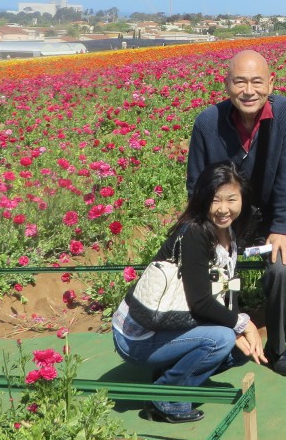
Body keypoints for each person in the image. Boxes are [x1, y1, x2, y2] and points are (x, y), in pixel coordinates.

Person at [112, 162, 268, 423]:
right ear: (203, 199)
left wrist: (238, 326)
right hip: (139, 335)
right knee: (222, 339)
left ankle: (169, 375)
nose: (223, 209)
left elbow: (227, 287)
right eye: (215, 200)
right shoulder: (195, 233)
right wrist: (244, 324)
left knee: (239, 348)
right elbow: (201, 303)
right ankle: (164, 397)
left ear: (243, 199)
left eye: (231, 199)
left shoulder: (229, 232)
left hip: (171, 324)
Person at [187, 50, 286, 377]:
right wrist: (215, 235)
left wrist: (282, 228)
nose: (249, 91)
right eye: (240, 82)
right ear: (227, 84)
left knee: (283, 268)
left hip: (269, 221)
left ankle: (278, 347)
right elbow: (196, 186)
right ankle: (222, 340)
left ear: (271, 83)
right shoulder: (208, 123)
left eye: (257, 82)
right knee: (209, 271)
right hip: (221, 220)